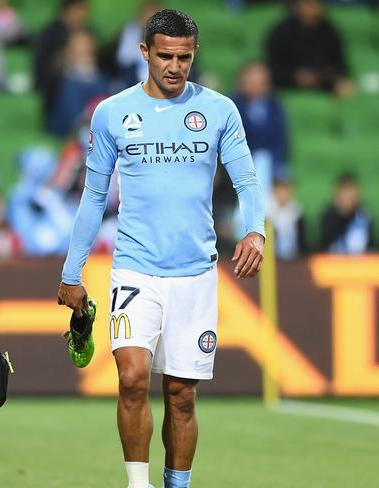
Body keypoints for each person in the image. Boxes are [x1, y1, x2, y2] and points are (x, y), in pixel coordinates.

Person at [57, 10, 265, 488]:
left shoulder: (218, 110)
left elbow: (247, 180)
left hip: (195, 273)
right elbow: (92, 195)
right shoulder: (112, 112)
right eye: (166, 56)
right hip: (135, 270)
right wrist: (73, 271)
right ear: (144, 52)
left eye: (185, 57)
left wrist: (255, 231)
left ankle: (177, 483)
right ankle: (137, 483)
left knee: (181, 395)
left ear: (194, 54)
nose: (175, 66)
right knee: (132, 377)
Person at [265, 0, 353, 96]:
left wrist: (337, 79)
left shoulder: (330, 31)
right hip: (288, 88)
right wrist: (296, 77)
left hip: (324, 88)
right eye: (308, 4)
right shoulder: (281, 32)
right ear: (297, 6)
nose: (313, 9)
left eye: (318, 4)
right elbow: (273, 68)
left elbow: (341, 66)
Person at [231, 61, 288, 198]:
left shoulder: (275, 106)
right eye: (252, 82)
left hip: (269, 163)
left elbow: (280, 140)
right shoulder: (231, 105)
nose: (257, 86)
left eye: (261, 82)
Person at [320, 172, 373, 254]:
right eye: (344, 190)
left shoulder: (365, 216)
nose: (348, 195)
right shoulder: (328, 216)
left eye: (351, 190)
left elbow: (370, 248)